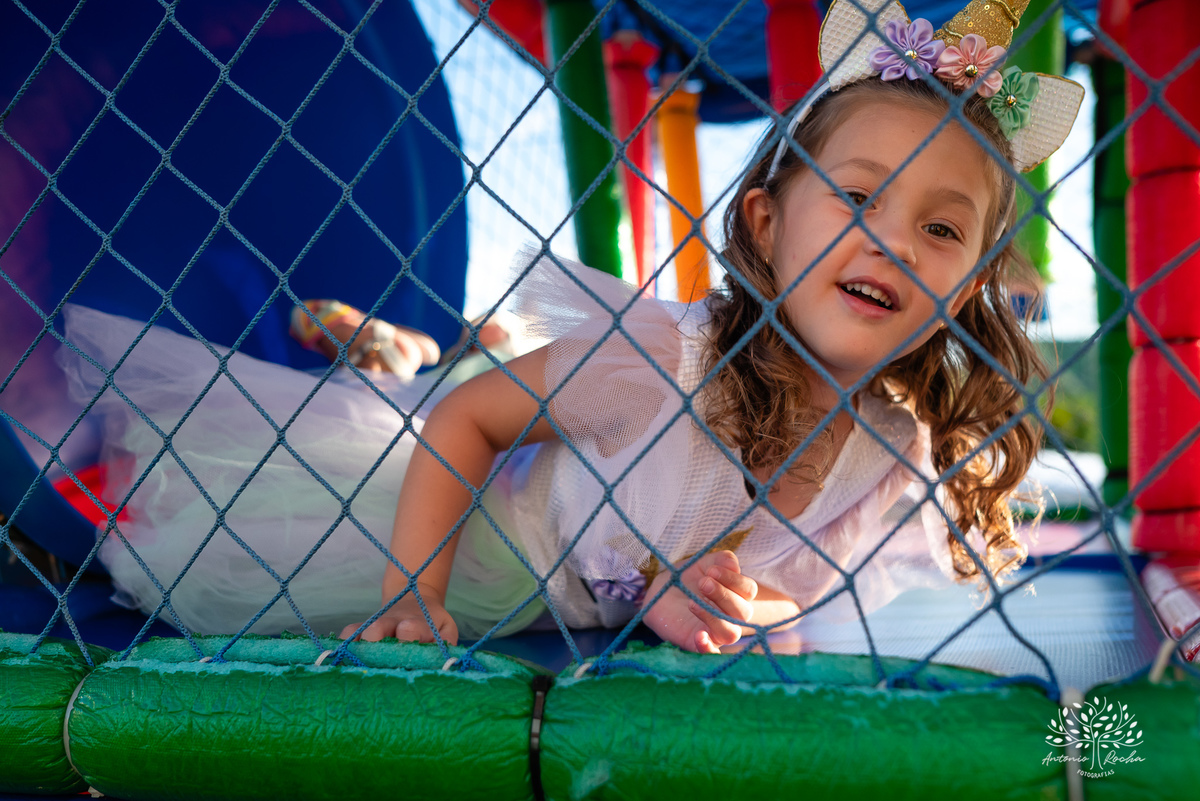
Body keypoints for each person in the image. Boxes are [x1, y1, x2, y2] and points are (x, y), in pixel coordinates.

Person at [58, 0, 1084, 652]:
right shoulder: (666, 359)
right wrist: (414, 590)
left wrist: (730, 604)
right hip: (475, 533)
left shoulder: (891, 451)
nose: (893, 241)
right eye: (858, 198)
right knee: (350, 446)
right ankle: (385, 361)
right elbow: (468, 421)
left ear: (969, 286)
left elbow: (792, 591)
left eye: (941, 229)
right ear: (769, 227)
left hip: (579, 606)